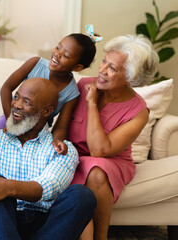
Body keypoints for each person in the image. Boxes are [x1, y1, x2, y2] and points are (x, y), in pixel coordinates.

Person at [0, 78, 97, 240]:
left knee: (83, 195)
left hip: (44, 226)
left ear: (47, 111)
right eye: (16, 97)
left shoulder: (62, 149)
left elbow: (48, 187)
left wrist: (7, 187)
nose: (17, 105)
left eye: (26, 102)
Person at [67, 34, 159, 240]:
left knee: (97, 170)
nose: (102, 70)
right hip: (72, 155)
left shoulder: (139, 111)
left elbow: (100, 151)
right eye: (104, 62)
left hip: (110, 162)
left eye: (112, 68)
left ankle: (101, 236)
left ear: (130, 78)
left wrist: (91, 104)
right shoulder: (82, 85)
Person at [0, 33, 97, 154]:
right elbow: (6, 88)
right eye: (58, 47)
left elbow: (61, 126)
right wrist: (10, 122)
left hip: (37, 131)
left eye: (66, 55)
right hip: (12, 118)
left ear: (77, 67)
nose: (57, 54)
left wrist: (57, 142)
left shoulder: (72, 93)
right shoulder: (35, 64)